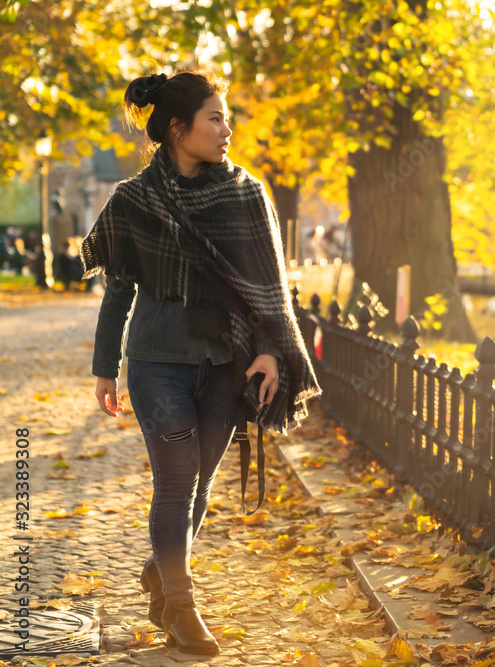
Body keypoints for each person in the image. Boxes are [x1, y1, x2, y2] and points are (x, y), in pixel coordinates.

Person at [80, 71, 321, 655]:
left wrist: (268, 349)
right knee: (176, 479)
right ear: (177, 128)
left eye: (225, 117)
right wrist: (103, 367)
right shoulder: (133, 201)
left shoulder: (246, 195)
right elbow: (118, 290)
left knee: (201, 483)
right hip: (157, 360)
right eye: (215, 118)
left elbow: (269, 287)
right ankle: (182, 609)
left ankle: (162, 571)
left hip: (224, 363)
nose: (226, 129)